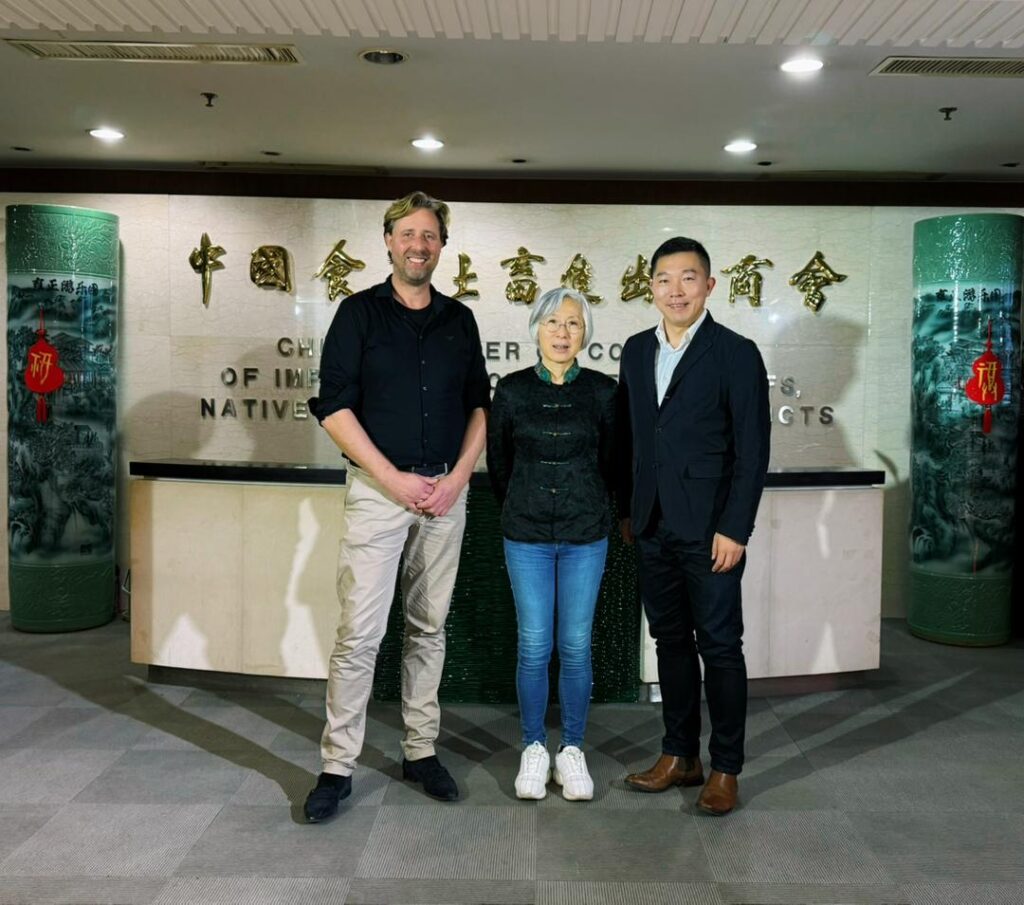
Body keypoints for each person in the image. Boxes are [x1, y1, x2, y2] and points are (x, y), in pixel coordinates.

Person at [303, 191, 490, 822]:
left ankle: (420, 749)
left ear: (442, 246)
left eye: (429, 235)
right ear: (388, 241)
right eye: (407, 234)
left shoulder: (459, 320)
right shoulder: (358, 314)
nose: (418, 245)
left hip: (445, 496)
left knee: (428, 629)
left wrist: (458, 477)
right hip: (378, 494)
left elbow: (479, 406)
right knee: (360, 633)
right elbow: (333, 407)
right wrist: (392, 479)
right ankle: (337, 766)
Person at [616, 236, 770, 815]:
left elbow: (752, 450)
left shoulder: (735, 353)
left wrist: (736, 528)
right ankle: (680, 755)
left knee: (721, 647)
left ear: (709, 285)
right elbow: (631, 437)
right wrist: (629, 509)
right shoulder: (636, 350)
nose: (674, 290)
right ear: (651, 287)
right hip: (652, 525)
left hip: (712, 532)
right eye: (663, 279)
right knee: (670, 642)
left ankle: (726, 767)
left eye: (687, 278)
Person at [487, 287, 617, 801]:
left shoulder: (604, 391)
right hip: (527, 535)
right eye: (553, 323)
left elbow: (613, 461)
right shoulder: (512, 390)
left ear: (585, 333)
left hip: (586, 535)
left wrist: (592, 503)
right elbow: (500, 463)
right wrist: (525, 502)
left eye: (573, 324)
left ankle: (573, 750)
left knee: (576, 646)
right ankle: (534, 747)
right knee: (535, 645)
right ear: (536, 329)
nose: (562, 333)